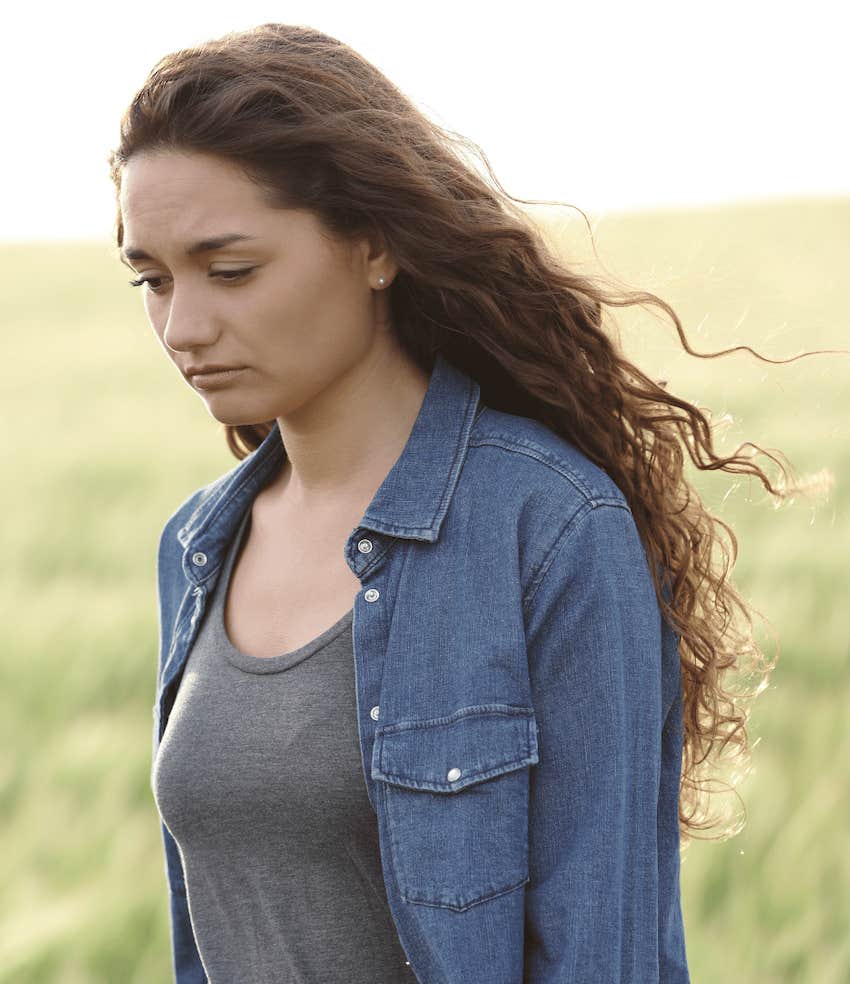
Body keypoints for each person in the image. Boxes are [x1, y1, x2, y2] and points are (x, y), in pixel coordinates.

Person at [108, 22, 798, 984]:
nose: (182, 327)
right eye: (151, 279)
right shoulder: (196, 545)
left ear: (375, 246)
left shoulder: (548, 530)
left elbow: (604, 956)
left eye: (231, 271)